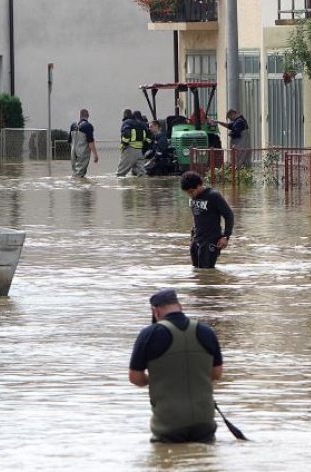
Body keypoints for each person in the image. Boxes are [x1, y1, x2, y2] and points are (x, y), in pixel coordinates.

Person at [128, 288, 223, 443]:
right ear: (180, 306)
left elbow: (135, 378)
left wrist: (160, 378)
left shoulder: (150, 334)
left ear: (155, 311)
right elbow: (216, 373)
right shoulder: (206, 331)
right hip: (204, 420)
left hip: (169, 423)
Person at [180, 171, 234, 268]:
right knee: (196, 272)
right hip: (196, 240)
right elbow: (198, 217)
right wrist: (193, 234)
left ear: (199, 185)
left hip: (211, 241)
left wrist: (226, 236)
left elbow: (229, 215)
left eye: (192, 191)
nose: (190, 195)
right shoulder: (192, 198)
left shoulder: (213, 196)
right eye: (187, 193)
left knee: (206, 273)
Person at [117, 109, 147, 177]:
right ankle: (144, 187)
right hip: (140, 151)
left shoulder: (127, 122)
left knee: (120, 174)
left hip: (130, 150)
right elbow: (147, 137)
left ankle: (122, 187)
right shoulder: (141, 124)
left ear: (124, 115)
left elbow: (127, 135)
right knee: (142, 174)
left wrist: (124, 144)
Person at [69, 109, 98, 178]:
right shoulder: (88, 126)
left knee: (75, 172)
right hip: (82, 152)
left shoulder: (73, 126)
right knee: (80, 174)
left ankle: (74, 187)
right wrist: (95, 155)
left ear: (80, 116)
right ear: (88, 115)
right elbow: (90, 142)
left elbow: (70, 141)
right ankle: (81, 188)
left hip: (73, 152)